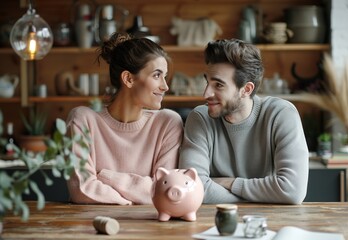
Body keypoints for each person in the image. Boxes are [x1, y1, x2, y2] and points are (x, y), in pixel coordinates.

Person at [179, 39, 309, 204]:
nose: (206, 94)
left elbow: (292, 190)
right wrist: (262, 196)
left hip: (273, 223)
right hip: (215, 222)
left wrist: (229, 183)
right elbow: (192, 187)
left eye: (218, 85)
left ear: (246, 89)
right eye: (207, 82)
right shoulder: (200, 118)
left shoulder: (281, 114)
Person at [66, 33, 183, 205]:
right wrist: (135, 199)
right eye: (157, 75)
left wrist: (105, 177)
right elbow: (82, 190)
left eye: (164, 76)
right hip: (90, 226)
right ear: (128, 79)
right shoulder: (83, 120)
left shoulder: (168, 123)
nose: (165, 86)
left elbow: (164, 190)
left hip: (151, 229)